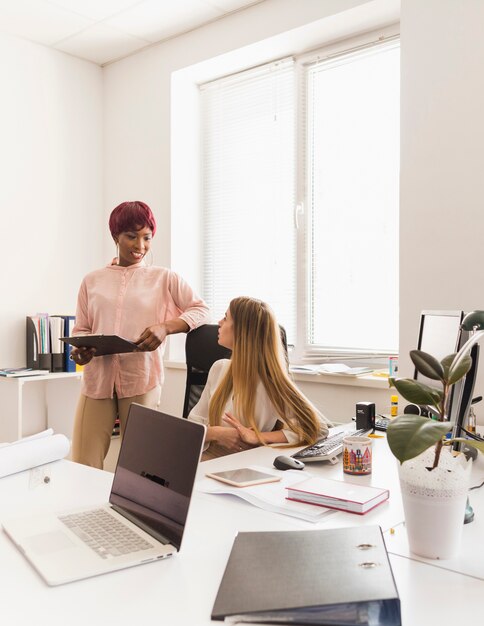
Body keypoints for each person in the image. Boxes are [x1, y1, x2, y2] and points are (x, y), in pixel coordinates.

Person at [71, 200, 210, 468]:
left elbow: (201, 309)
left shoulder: (164, 278)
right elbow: (82, 329)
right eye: (131, 237)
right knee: (83, 462)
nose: (140, 246)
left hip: (141, 377)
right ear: (115, 236)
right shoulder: (92, 281)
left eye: (147, 237)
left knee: (139, 464)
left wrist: (165, 327)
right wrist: (81, 352)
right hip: (97, 379)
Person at [188, 296, 332, 459]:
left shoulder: (271, 383)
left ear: (242, 331)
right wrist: (216, 433)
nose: (219, 322)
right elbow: (191, 427)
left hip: (243, 464)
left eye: (226, 318)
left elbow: (318, 428)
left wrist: (258, 436)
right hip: (206, 459)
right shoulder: (219, 368)